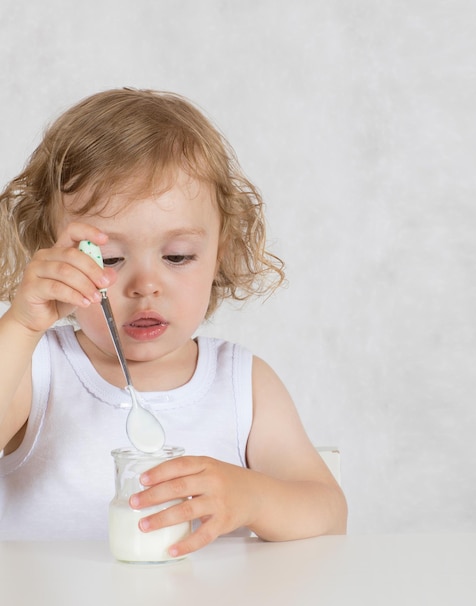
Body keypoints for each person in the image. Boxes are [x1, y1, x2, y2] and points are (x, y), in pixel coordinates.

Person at [0, 88, 347, 556]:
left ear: (217, 255)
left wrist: (252, 497)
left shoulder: (242, 384)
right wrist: (22, 326)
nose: (146, 285)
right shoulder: (36, 368)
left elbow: (328, 511)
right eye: (110, 257)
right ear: (57, 255)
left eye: (178, 256)